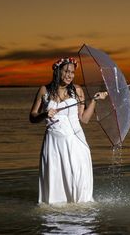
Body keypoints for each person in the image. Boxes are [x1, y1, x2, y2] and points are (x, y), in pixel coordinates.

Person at [30, 57, 108, 204]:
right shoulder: (44, 90)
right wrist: (44, 114)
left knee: (78, 180)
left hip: (75, 142)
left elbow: (84, 119)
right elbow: (32, 117)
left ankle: (79, 217)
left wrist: (94, 101)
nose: (69, 75)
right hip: (53, 144)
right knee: (55, 182)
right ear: (57, 71)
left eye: (72, 72)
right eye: (66, 71)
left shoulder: (77, 90)